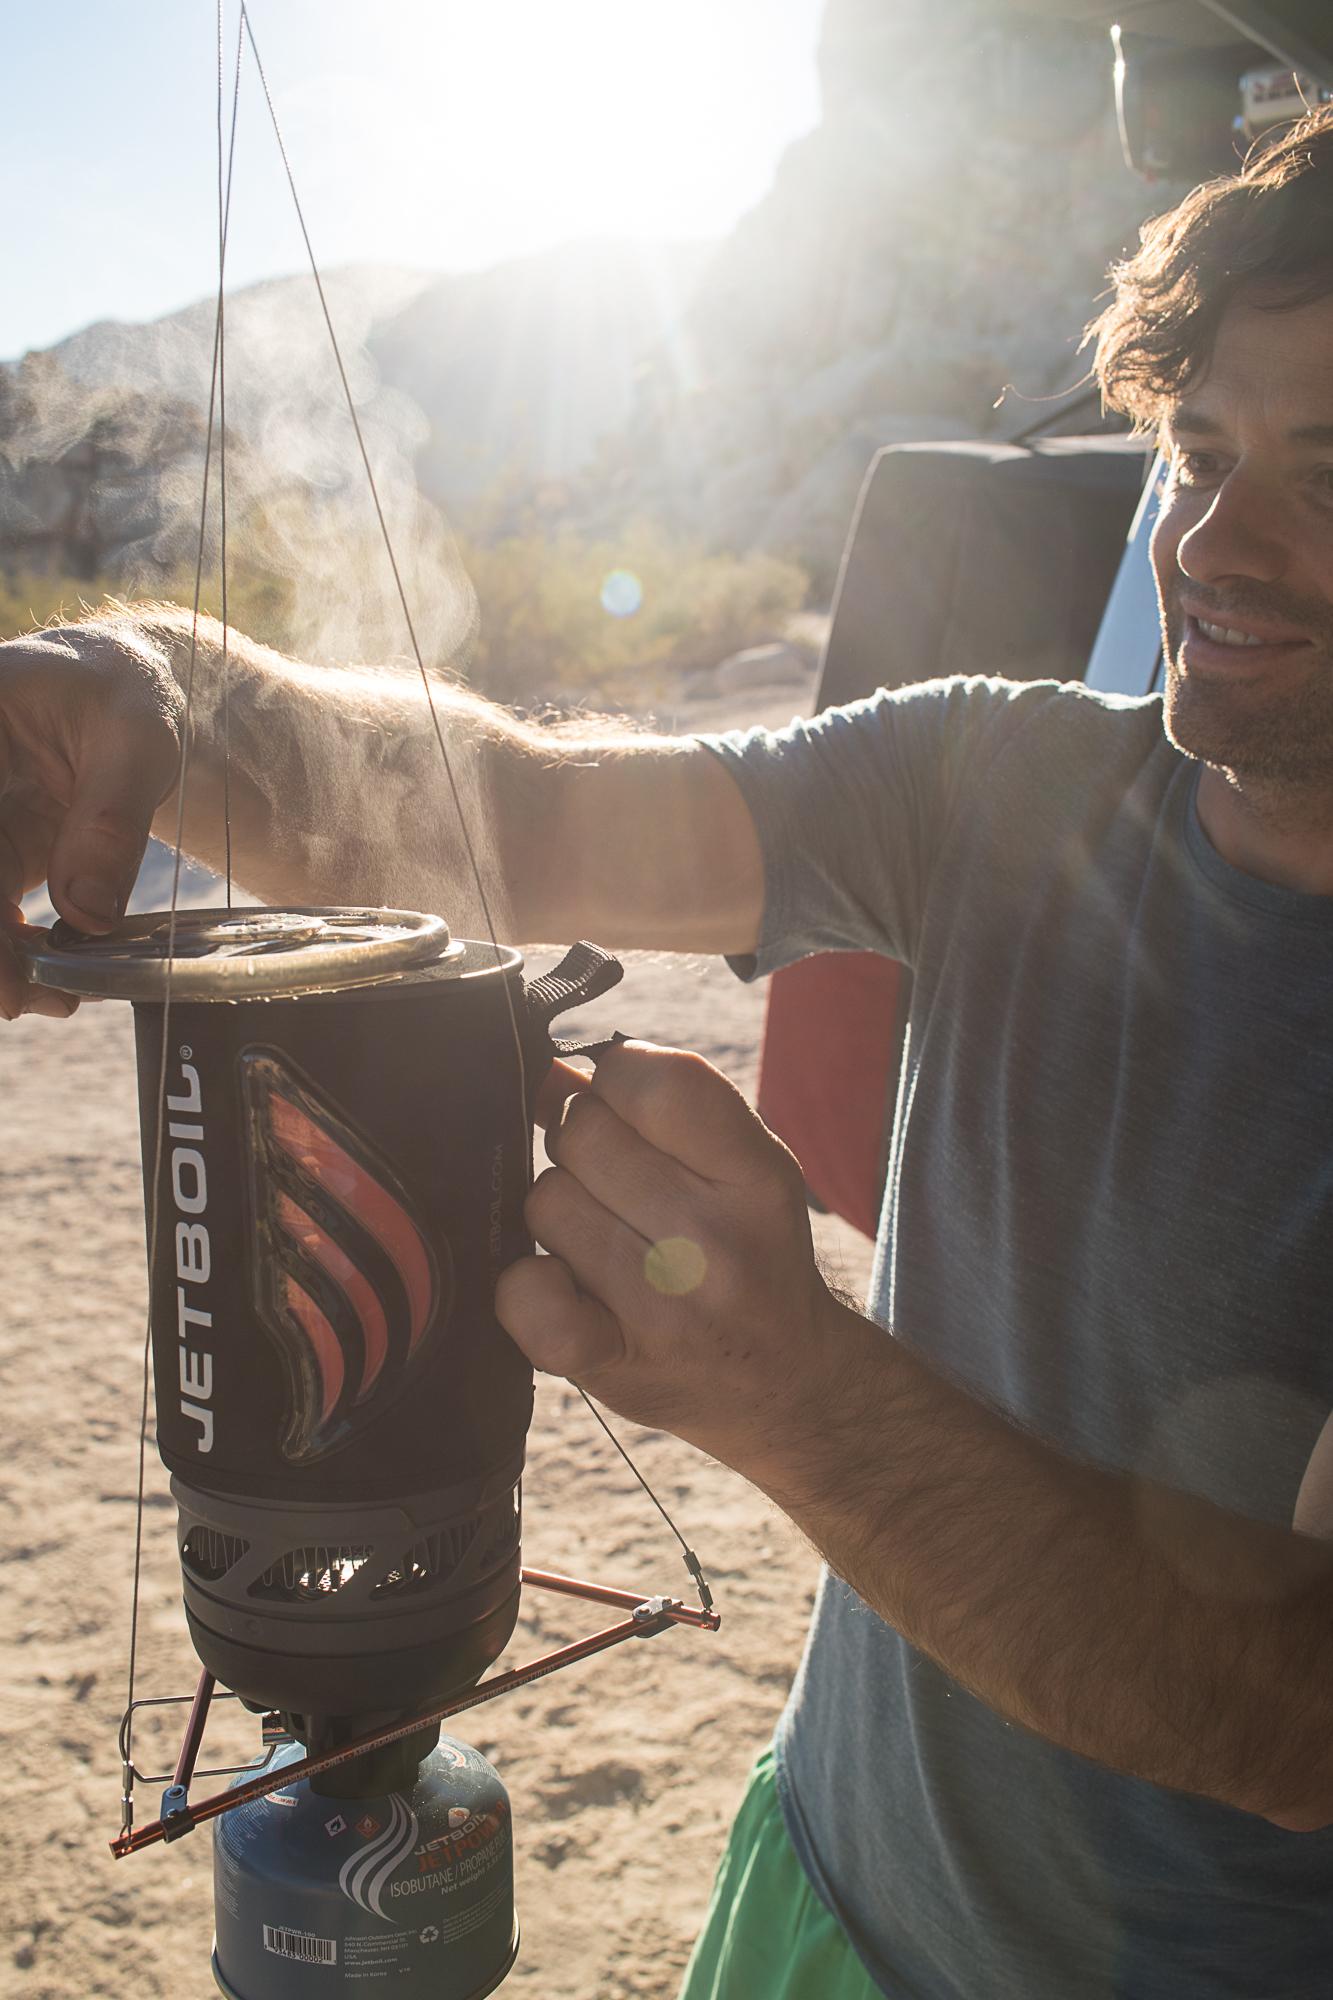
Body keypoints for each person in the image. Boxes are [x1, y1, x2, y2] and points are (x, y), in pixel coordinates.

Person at [4, 105, 1333, 2000]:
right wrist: (156, 689)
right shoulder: (1012, 781)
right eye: (1196, 454)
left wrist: (787, 1389)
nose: (1212, 542)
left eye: (1325, 479)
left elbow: (1297, 1721)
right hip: (819, 1887)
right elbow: (514, 815)